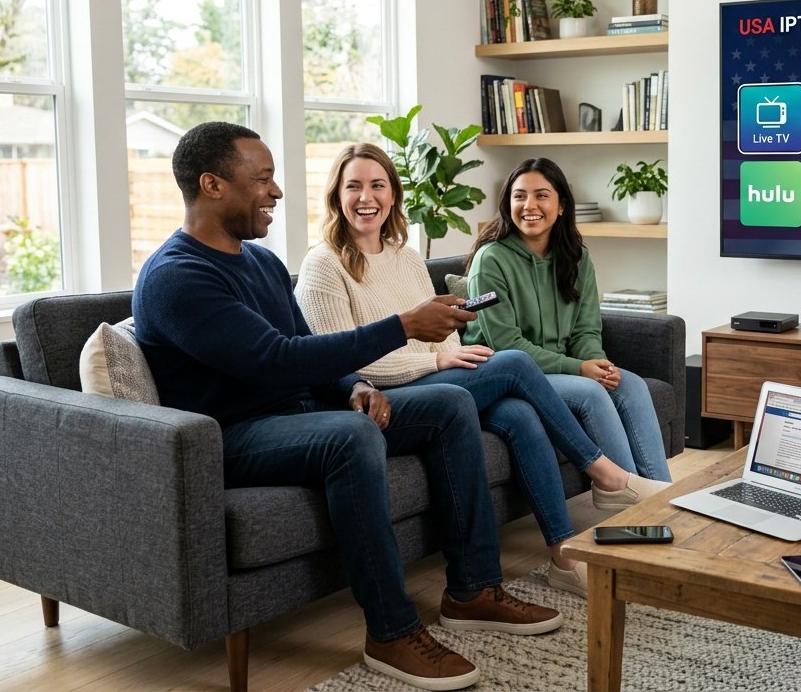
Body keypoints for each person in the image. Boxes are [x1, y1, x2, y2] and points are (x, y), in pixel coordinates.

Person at [132, 122, 561, 692]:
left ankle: (472, 590)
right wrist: (405, 326)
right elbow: (277, 360)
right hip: (230, 436)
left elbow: (307, 342)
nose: (277, 192)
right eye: (261, 180)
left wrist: (354, 385)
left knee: (451, 404)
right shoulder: (178, 277)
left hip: (297, 414)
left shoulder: (258, 263)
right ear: (212, 185)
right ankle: (390, 630)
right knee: (349, 436)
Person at [294, 143, 671, 599]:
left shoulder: (405, 256)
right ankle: (607, 476)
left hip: (436, 376)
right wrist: (437, 360)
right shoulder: (323, 264)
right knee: (511, 361)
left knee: (520, 414)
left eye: (378, 185)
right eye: (353, 186)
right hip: (383, 394)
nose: (365, 197)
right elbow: (341, 359)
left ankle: (564, 559)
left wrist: (449, 354)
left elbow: (444, 333)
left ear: (393, 195)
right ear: (336, 195)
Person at [464, 157, 672, 482]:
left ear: (561, 205)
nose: (529, 205)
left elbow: (586, 328)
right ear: (507, 204)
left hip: (558, 369)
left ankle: (659, 492)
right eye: (519, 196)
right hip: (509, 374)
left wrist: (596, 363)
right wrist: (578, 368)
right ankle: (628, 496)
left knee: (630, 385)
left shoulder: (576, 256)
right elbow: (507, 345)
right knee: (590, 394)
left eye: (541, 195)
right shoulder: (490, 260)